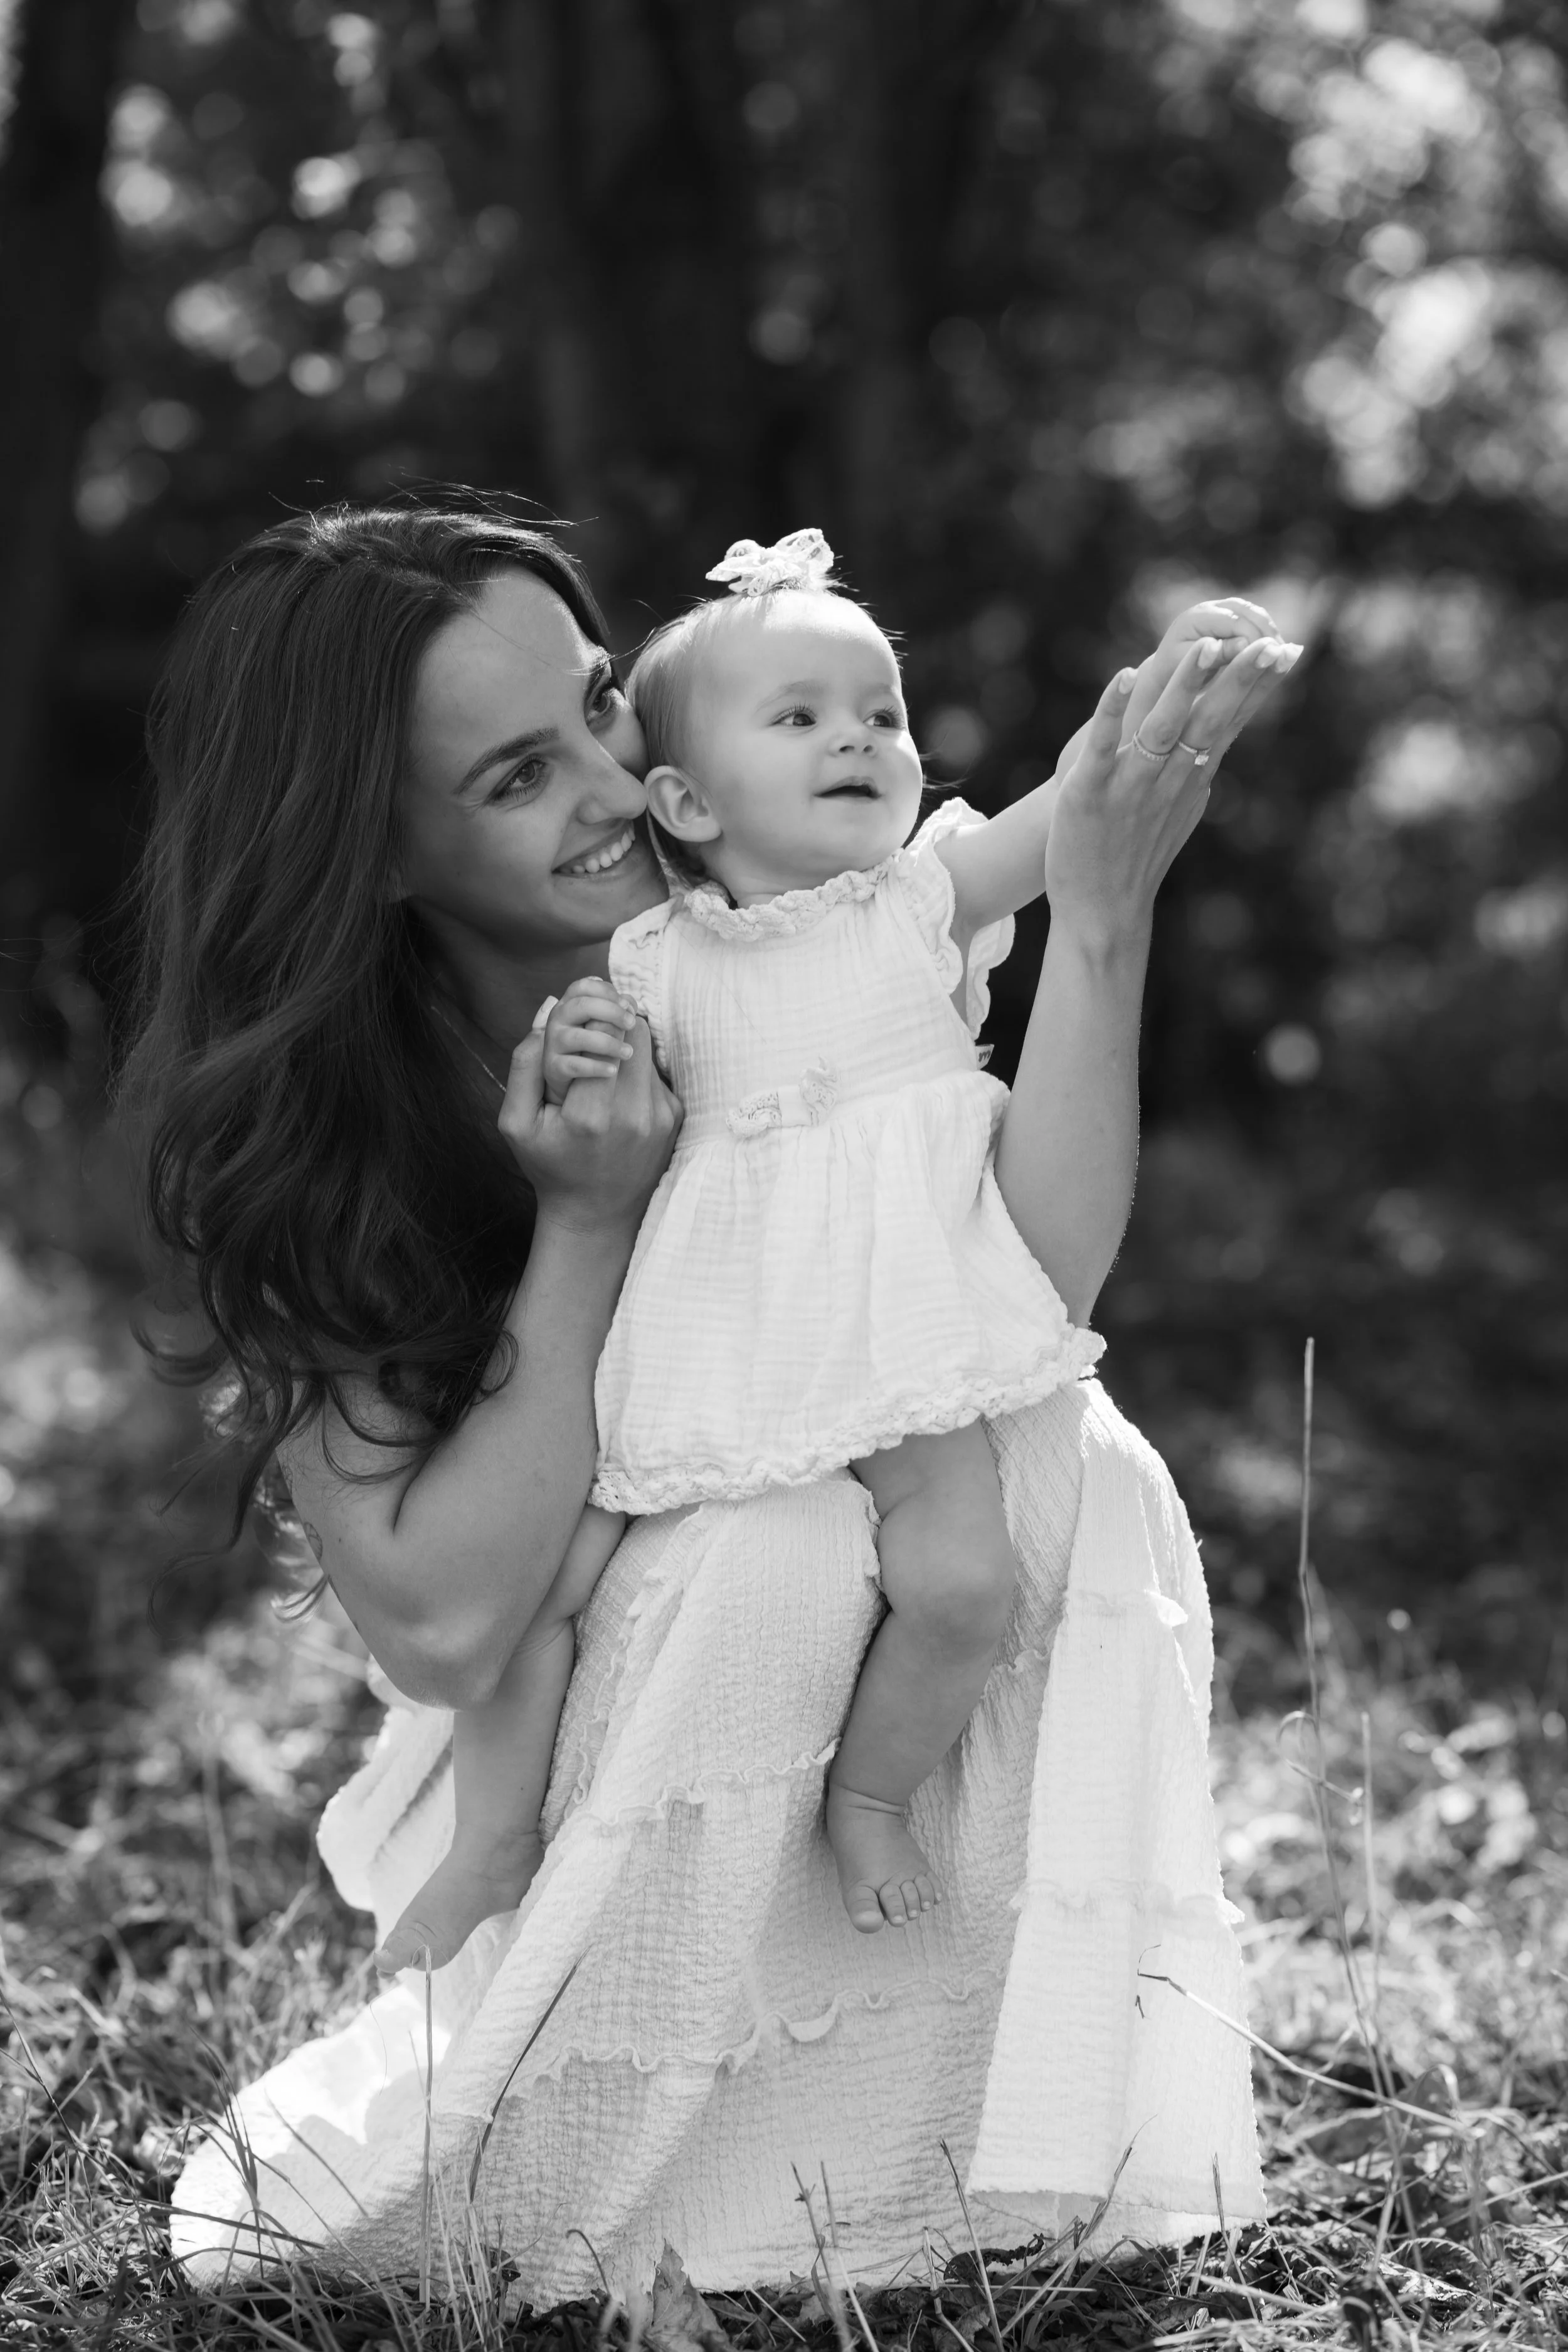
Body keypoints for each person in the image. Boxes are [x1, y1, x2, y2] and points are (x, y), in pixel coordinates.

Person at [139, 504, 1288, 2308]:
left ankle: (939, 2125)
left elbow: (1022, 1309)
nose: (618, 776)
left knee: (1072, 1469)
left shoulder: (793, 922)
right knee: (774, 1541)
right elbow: (445, 1618)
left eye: (604, 702)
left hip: (838, 1503)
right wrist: (588, 1216)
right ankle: (600, 2148)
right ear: (368, 849)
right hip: (560, 1653)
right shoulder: (317, 1128)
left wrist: (1111, 916)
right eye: (523, 772)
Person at [371, 526, 1296, 1973]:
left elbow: (1073, 813)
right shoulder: (651, 957)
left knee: (961, 1586)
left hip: (894, 1323)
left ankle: (868, 1798)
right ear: (685, 794)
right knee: (551, 1587)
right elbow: (582, 1101)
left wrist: (1169, 682)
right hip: (716, 1323)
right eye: (797, 718)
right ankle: (490, 1839)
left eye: (879, 714)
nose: (855, 738)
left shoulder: (917, 899)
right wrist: (583, 1061)